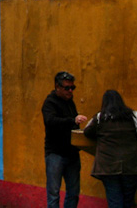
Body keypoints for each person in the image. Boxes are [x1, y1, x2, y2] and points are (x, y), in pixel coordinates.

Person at [83, 90, 137, 208]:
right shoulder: (132, 117)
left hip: (108, 167)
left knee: (114, 201)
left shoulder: (100, 118)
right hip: (132, 166)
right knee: (128, 201)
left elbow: (87, 133)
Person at [42, 71, 88, 208]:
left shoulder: (70, 102)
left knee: (73, 192)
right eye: (67, 88)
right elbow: (50, 121)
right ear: (57, 86)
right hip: (55, 153)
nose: (70, 91)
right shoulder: (50, 102)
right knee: (54, 194)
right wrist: (72, 120)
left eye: (72, 88)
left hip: (72, 153)